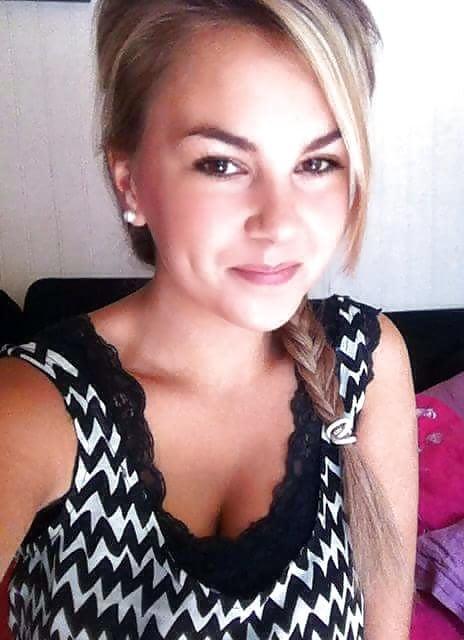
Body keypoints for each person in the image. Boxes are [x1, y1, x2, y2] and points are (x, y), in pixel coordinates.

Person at [0, 0, 419, 638]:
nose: (279, 223)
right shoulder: (33, 407)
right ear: (130, 182)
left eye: (317, 163)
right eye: (221, 164)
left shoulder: (367, 361)